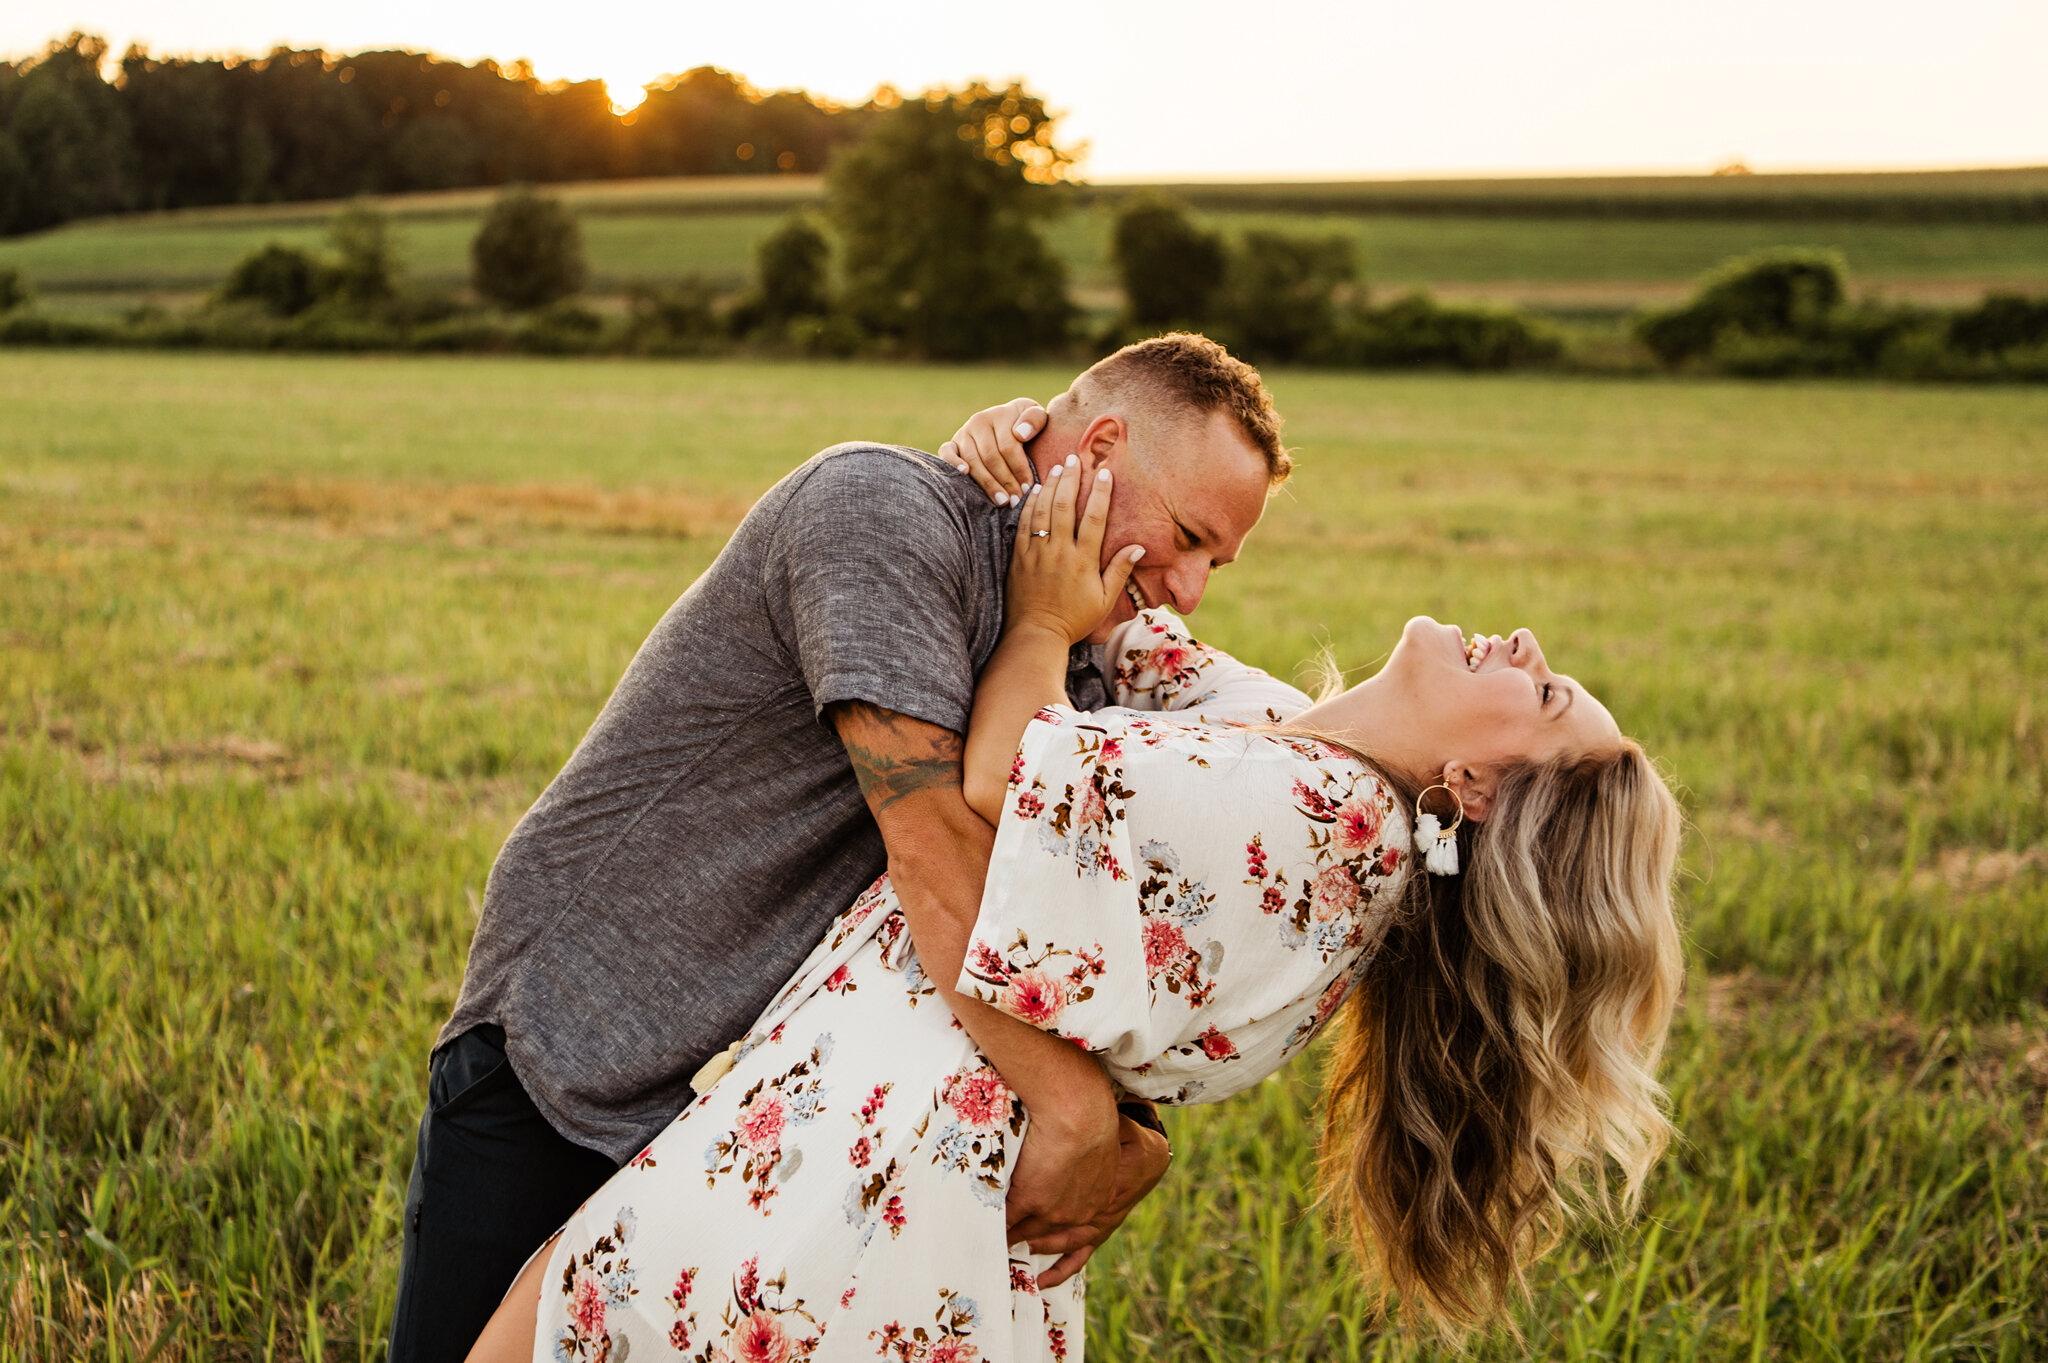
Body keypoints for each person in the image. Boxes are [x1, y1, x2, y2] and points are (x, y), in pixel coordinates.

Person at [465, 450, 1685, 1362]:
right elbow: (1144, 639)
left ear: (1470, 789)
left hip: (852, 1183)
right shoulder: (1302, 762)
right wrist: (1030, 458)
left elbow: (1006, 769)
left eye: (1543, 691)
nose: (1523, 645)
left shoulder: (1313, 814)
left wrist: (1044, 620)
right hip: (896, 1182)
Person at [387, 334, 1291, 1362]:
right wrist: (1078, 1115)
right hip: (577, 1031)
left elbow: (1066, 904)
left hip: (746, 1100)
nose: (1188, 587)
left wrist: (1137, 1131)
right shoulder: (875, 511)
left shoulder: (1068, 650)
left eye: (1214, 562)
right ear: (1102, 444)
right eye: (1187, 536)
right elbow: (934, 845)